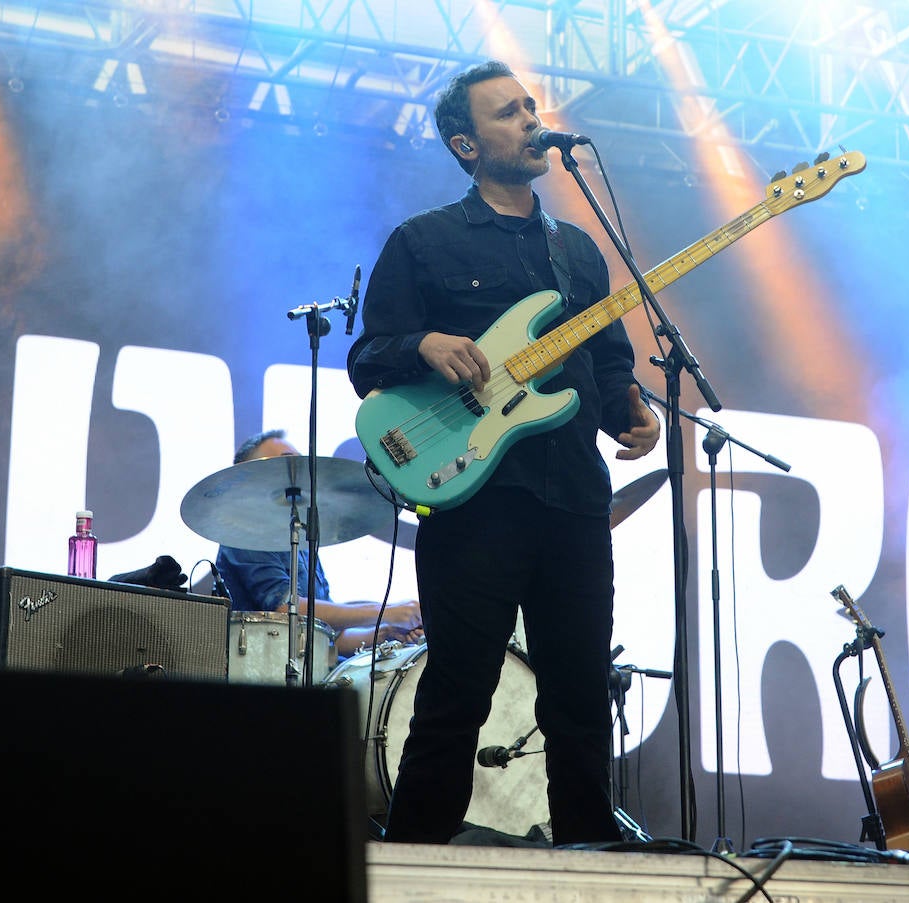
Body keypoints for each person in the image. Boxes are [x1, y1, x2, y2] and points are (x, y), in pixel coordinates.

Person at [346, 60, 661, 847]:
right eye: (506, 113)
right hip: (473, 497)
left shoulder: (578, 251)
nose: (530, 119)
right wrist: (423, 342)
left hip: (574, 499)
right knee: (457, 693)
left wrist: (633, 409)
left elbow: (611, 361)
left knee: (580, 696)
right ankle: (414, 867)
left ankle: (591, 863)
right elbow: (369, 357)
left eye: (530, 106)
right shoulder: (424, 241)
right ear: (465, 144)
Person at [214, 429, 425, 661]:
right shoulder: (243, 535)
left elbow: (330, 636)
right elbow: (285, 609)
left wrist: (385, 633)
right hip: (261, 671)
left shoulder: (301, 540)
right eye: (283, 464)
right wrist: (386, 612)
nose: (298, 472)